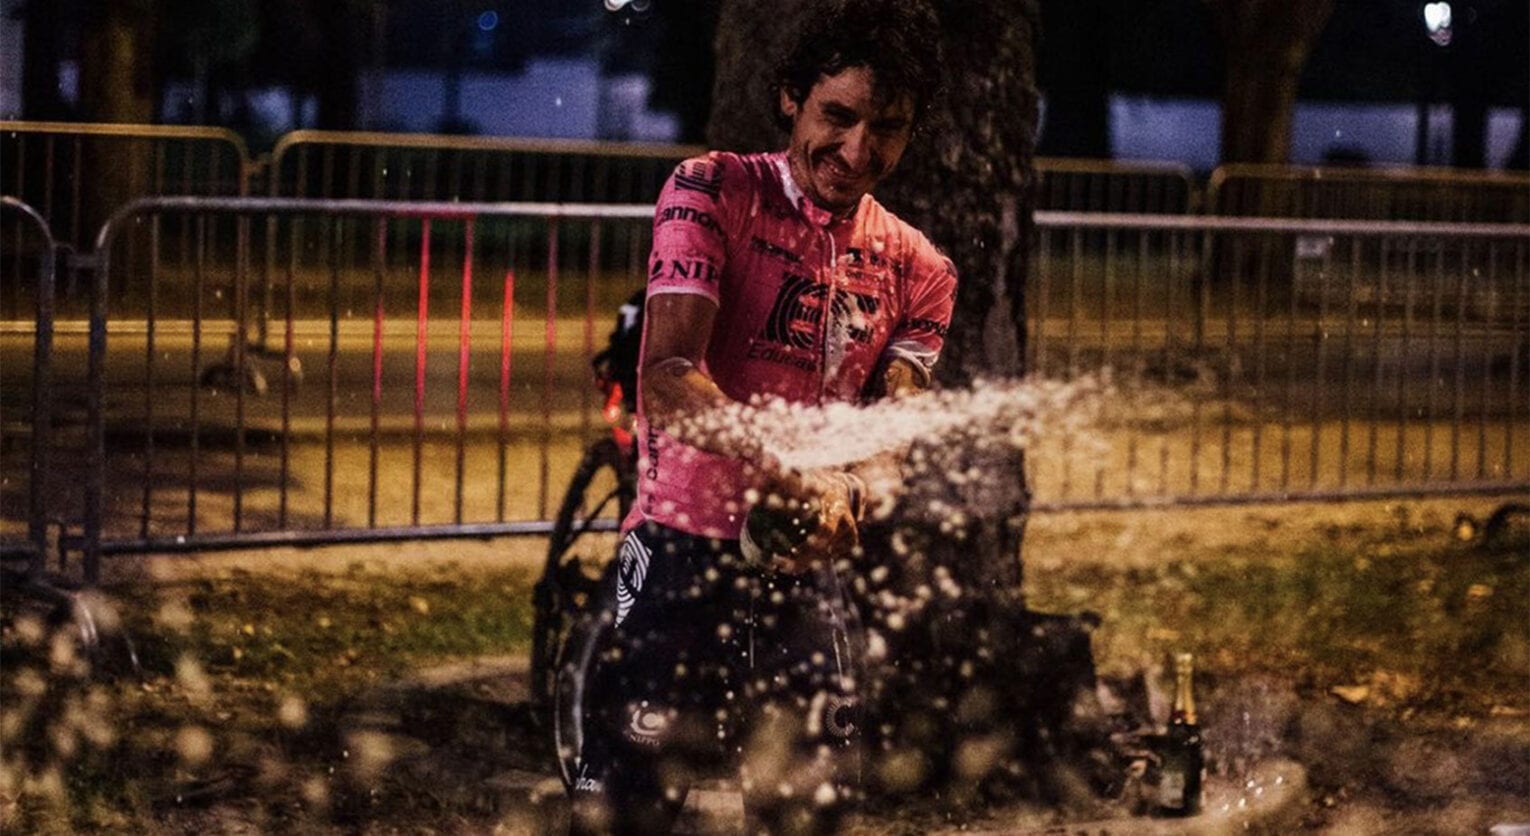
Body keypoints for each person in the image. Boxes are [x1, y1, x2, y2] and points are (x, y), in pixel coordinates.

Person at [569, 1, 952, 832]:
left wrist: (854, 492)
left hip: (804, 573)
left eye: (887, 128)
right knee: (626, 815)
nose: (858, 151)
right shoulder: (712, 190)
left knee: (809, 816)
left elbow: (893, 432)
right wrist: (789, 467)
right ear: (790, 99)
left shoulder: (921, 268)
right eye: (838, 116)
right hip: (678, 552)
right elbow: (669, 377)